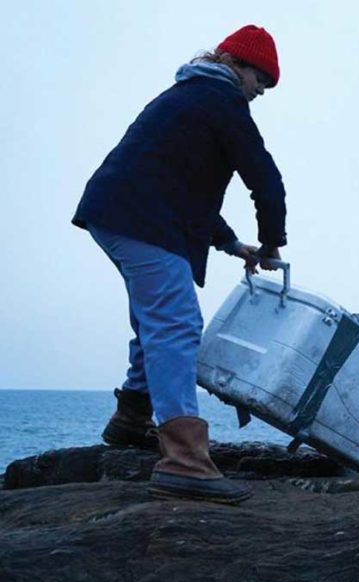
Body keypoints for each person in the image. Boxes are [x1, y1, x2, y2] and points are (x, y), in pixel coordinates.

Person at [72, 25, 288, 504]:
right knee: (177, 321)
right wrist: (273, 244)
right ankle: (185, 461)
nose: (259, 93)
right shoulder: (221, 100)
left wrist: (234, 246)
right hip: (137, 217)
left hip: (121, 212)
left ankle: (130, 418)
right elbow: (266, 181)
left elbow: (179, 187)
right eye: (261, 80)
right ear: (238, 65)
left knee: (158, 319)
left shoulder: (190, 95)